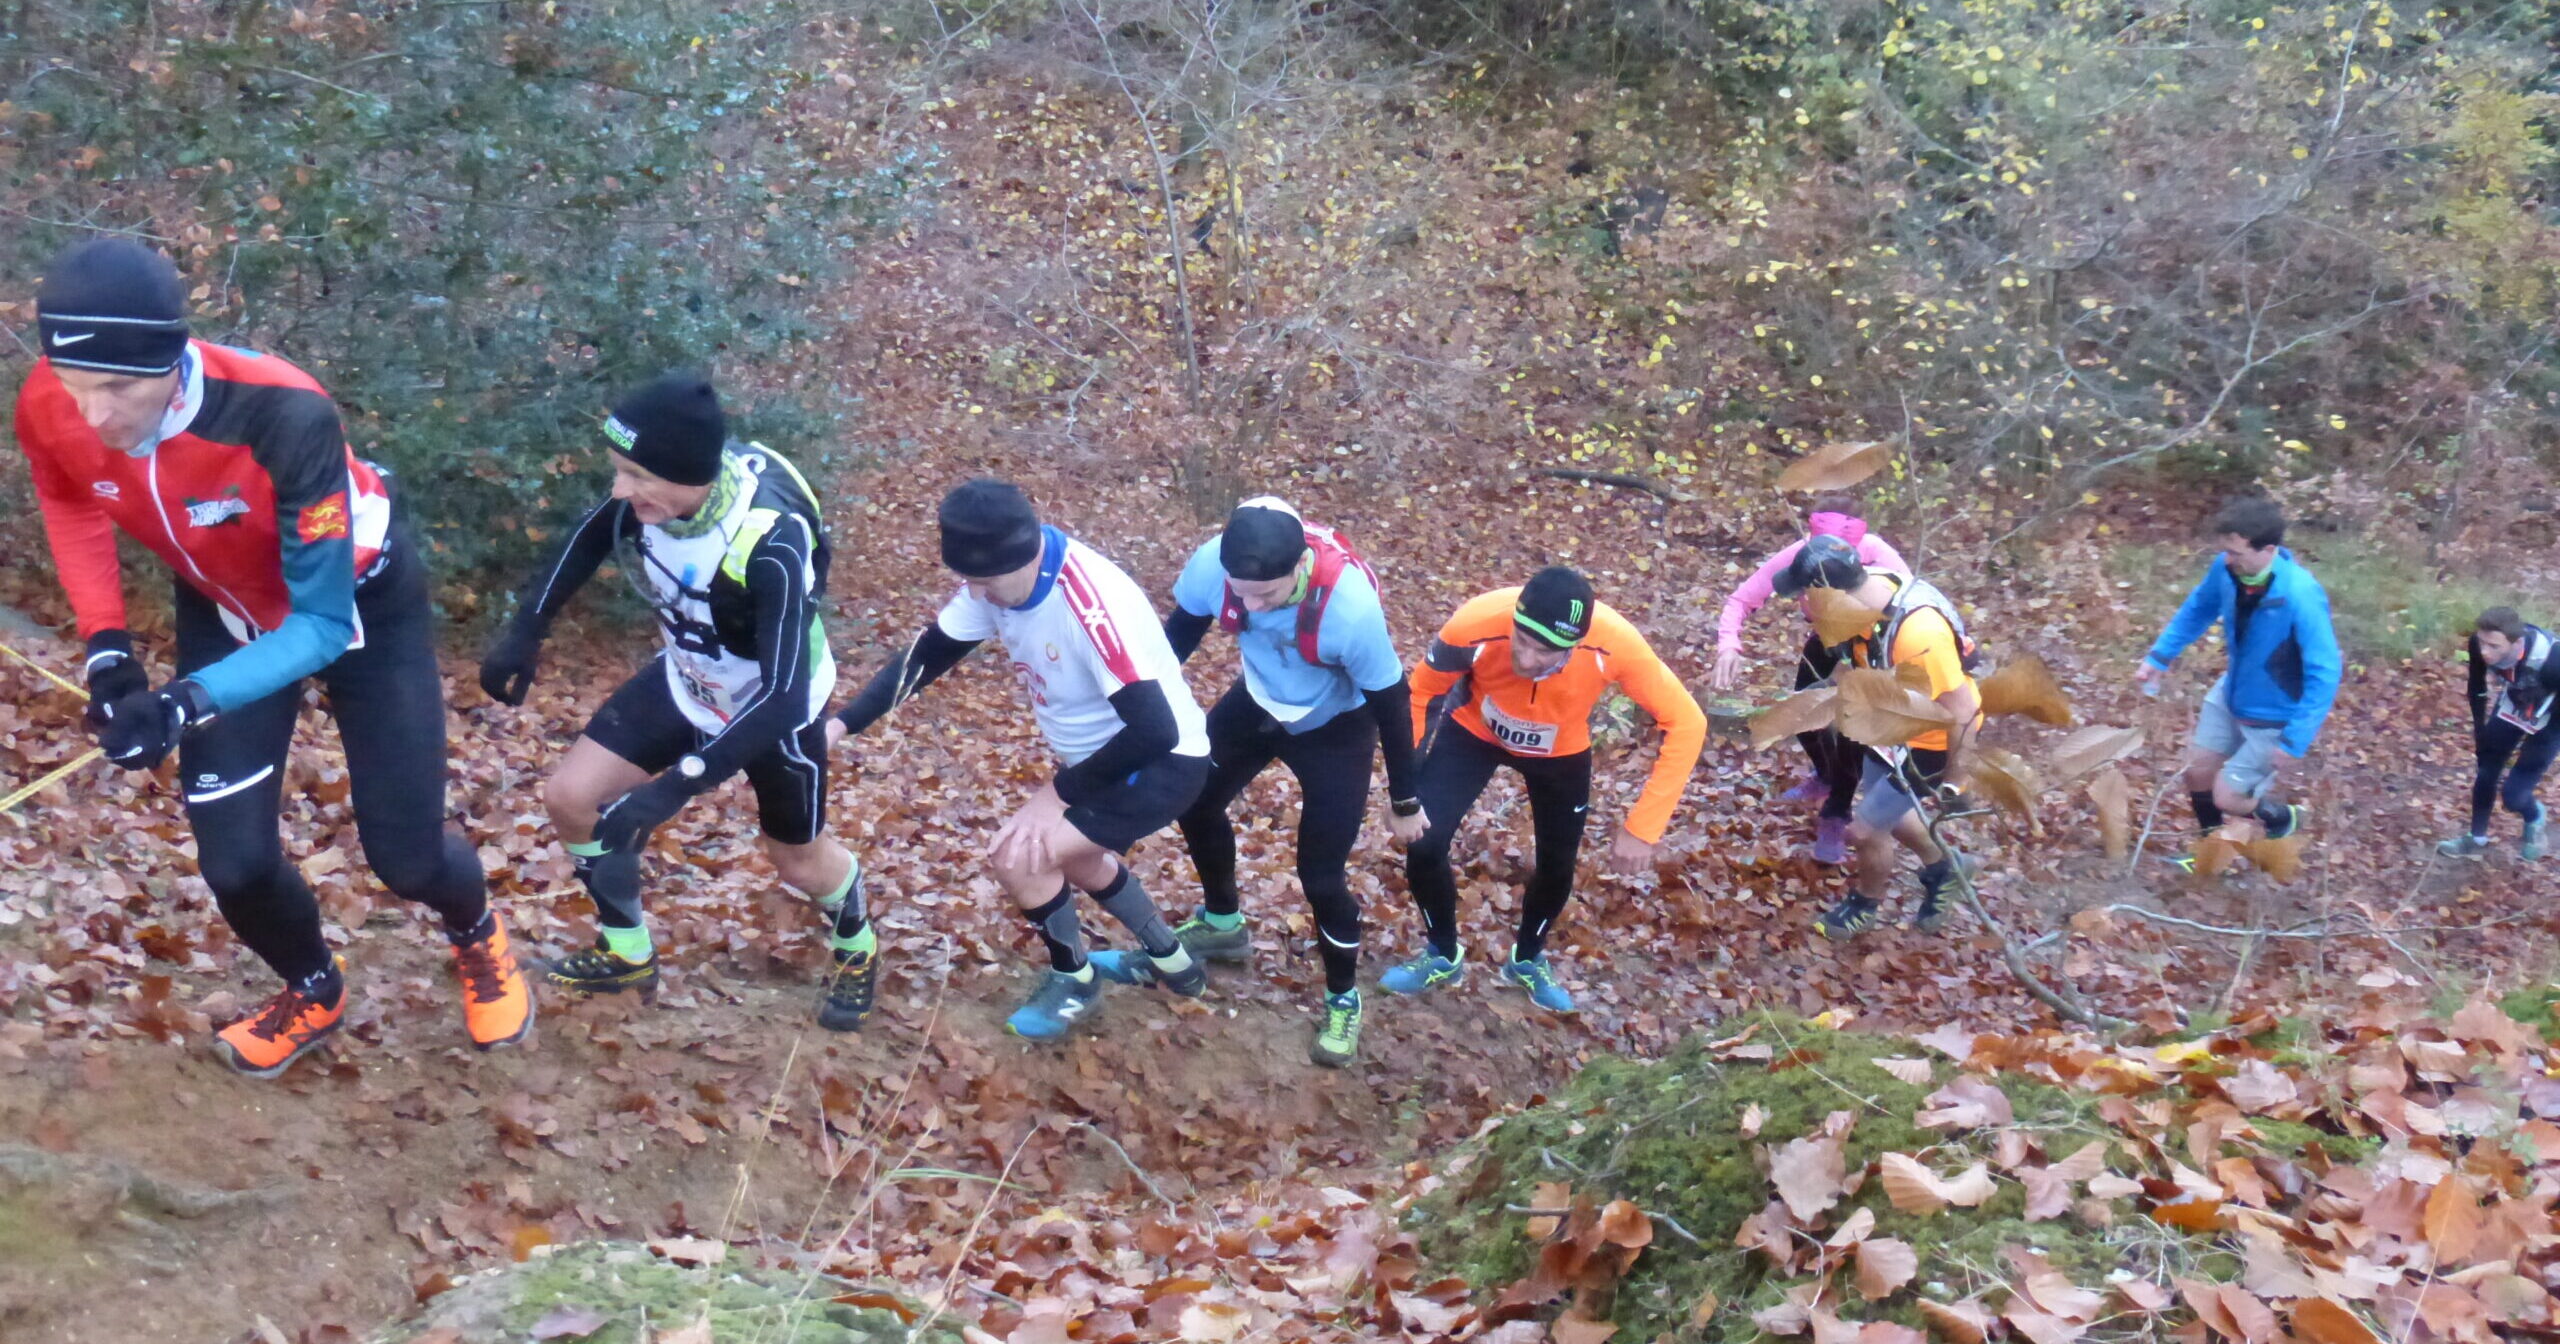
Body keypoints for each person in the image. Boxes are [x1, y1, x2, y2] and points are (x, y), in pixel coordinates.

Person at [15, 238, 531, 1078]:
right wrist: (107, 651)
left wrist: (184, 702)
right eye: (77, 388)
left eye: (118, 388)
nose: (95, 416)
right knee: (236, 863)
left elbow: (321, 625)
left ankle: (475, 932)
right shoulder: (51, 401)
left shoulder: (281, 412)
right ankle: (313, 987)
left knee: (405, 858)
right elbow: (70, 502)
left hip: (357, 605)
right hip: (224, 603)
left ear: (174, 361)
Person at [476, 373, 873, 1027]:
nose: (619, 491)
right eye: (618, 471)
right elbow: (590, 536)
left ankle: (856, 945)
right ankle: (627, 952)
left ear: (689, 475)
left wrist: (670, 790)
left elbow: (781, 695)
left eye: (635, 476)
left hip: (772, 708)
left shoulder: (769, 540)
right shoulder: (652, 497)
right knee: (570, 798)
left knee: (799, 861)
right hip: (688, 679)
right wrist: (526, 630)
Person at [828, 480, 1211, 1039]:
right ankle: (1174, 963)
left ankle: (1074, 979)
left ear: (1026, 555)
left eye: (983, 583)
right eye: (968, 582)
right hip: (1105, 757)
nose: (976, 596)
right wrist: (843, 723)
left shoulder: (1088, 608)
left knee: (1019, 856)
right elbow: (927, 657)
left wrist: (1055, 794)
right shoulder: (1001, 581)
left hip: (1160, 762)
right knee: (1077, 859)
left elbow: (1155, 729)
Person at [1097, 497, 1418, 1067]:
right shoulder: (1211, 568)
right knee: (1193, 800)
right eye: (1240, 591)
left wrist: (1404, 799)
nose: (1250, 603)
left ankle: (1342, 996)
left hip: (1335, 726)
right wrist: (1137, 716)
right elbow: (1177, 641)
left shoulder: (1350, 610)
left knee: (1320, 876)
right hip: (1257, 701)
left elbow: (1392, 703)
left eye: (1265, 594)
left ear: (1299, 567)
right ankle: (1223, 924)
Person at [1382, 567, 1705, 1012]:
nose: (1528, 660)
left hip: (1560, 751)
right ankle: (1442, 952)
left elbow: (1688, 722)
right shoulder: (1475, 624)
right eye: (1522, 640)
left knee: (1557, 865)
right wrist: (1404, 790)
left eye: (1546, 651)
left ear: (1576, 644)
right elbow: (1418, 695)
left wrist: (1644, 826)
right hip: (1473, 731)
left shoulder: (1616, 645)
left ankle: (1528, 959)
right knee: (1424, 840)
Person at [1778, 538, 1983, 938]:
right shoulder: (1857, 606)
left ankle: (1864, 905)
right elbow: (1848, 670)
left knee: (1865, 829)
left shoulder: (1918, 633)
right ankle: (1947, 867)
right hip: (1891, 724)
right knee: (1888, 814)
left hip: (1935, 737)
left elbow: (1962, 711)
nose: (1802, 606)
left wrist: (1958, 781)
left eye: (1805, 596)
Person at [2135, 495, 2338, 861]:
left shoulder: (2300, 595)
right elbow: (2198, 608)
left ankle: (2283, 817)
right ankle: (2208, 854)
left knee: (2227, 797)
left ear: (2269, 549)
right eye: (2225, 551)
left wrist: (2294, 741)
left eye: (2236, 553)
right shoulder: (2226, 570)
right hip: (2232, 692)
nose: (2227, 560)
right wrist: (2159, 657)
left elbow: (2325, 672)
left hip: (2274, 714)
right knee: (2197, 773)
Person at [1711, 493, 1910, 863]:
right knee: (1802, 715)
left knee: (1851, 734)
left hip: (1872, 647)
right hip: (1824, 641)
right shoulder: (1799, 554)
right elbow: (1741, 600)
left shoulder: (1878, 554)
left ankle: (1836, 813)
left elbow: (1912, 604)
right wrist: (1728, 645)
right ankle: (1824, 774)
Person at [2437, 607, 2556, 860]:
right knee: (2486, 770)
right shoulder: (2479, 644)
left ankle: (2534, 817)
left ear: (2517, 643)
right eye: (2482, 643)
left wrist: (2543, 703)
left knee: (2513, 797)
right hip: (2516, 702)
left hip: (2551, 719)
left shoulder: (2553, 661)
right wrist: (2480, 732)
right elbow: (2477, 687)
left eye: (2494, 646)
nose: (2484, 652)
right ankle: (2476, 840)